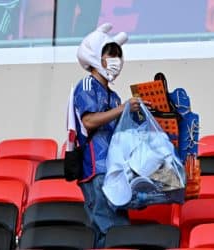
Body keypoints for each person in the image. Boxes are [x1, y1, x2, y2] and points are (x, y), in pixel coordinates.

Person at [72, 24, 144, 247]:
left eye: (118, 56)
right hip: (96, 170)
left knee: (114, 232)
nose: (116, 62)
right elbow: (88, 121)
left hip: (113, 171)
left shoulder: (113, 96)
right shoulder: (86, 85)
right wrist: (123, 108)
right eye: (110, 55)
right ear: (95, 55)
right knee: (111, 231)